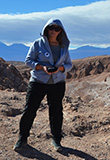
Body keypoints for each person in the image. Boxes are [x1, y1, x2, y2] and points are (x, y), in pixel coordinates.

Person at [13, 18, 72, 152]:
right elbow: (28, 61)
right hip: (38, 82)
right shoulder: (38, 44)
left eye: (57, 29)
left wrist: (61, 69)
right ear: (46, 29)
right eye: (51, 28)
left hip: (57, 83)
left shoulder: (63, 47)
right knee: (30, 110)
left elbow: (69, 64)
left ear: (60, 31)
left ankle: (56, 140)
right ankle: (22, 138)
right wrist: (41, 67)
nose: (53, 31)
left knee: (56, 112)